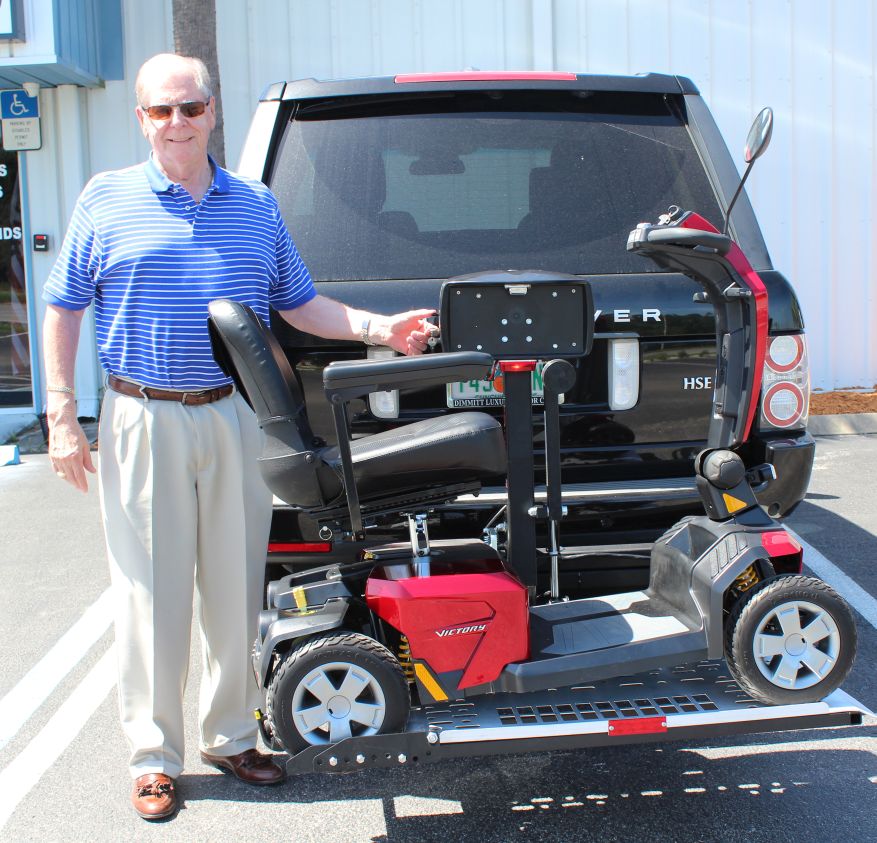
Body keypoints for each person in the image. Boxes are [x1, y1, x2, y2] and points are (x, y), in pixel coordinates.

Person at [41, 53, 435, 821]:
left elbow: (300, 304)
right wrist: (61, 413)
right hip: (141, 414)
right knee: (150, 597)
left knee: (231, 587)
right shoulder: (105, 199)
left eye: (189, 109)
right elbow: (61, 308)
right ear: (141, 118)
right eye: (161, 112)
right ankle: (153, 757)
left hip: (233, 414)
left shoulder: (254, 205)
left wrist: (380, 329)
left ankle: (229, 734)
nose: (176, 124)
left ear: (212, 112)